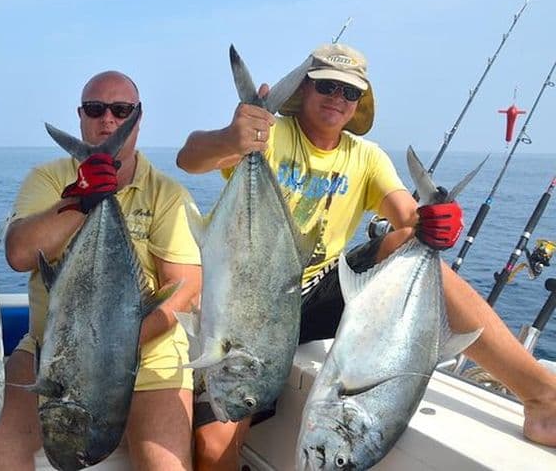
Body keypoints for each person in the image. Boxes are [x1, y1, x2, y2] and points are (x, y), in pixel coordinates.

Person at [176, 43, 556, 469]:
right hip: (251, 303)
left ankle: (542, 395)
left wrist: (434, 220)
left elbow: (407, 219)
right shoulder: (271, 134)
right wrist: (232, 138)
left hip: (318, 294)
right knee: (213, 448)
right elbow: (190, 158)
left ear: (359, 102)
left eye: (349, 92)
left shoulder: (366, 156)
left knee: (406, 246)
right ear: (304, 89)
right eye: (327, 86)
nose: (337, 98)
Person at [0, 70, 202, 470]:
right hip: (50, 352)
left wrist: (115, 346)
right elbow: (19, 254)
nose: (107, 120)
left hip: (148, 356)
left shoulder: (166, 194)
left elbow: (184, 288)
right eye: (95, 109)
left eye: (121, 110)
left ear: (138, 118)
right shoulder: (49, 179)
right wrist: (81, 201)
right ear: (81, 116)